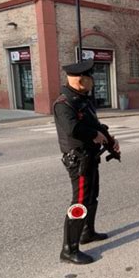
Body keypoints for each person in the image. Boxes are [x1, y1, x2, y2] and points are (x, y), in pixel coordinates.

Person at [54, 59, 120, 265]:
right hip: (78, 161)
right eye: (91, 77)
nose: (94, 80)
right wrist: (94, 134)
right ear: (81, 80)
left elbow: (96, 125)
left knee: (92, 197)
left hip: (91, 157)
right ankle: (69, 249)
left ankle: (87, 233)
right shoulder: (64, 103)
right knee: (80, 202)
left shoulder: (83, 99)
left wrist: (110, 141)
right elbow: (73, 129)